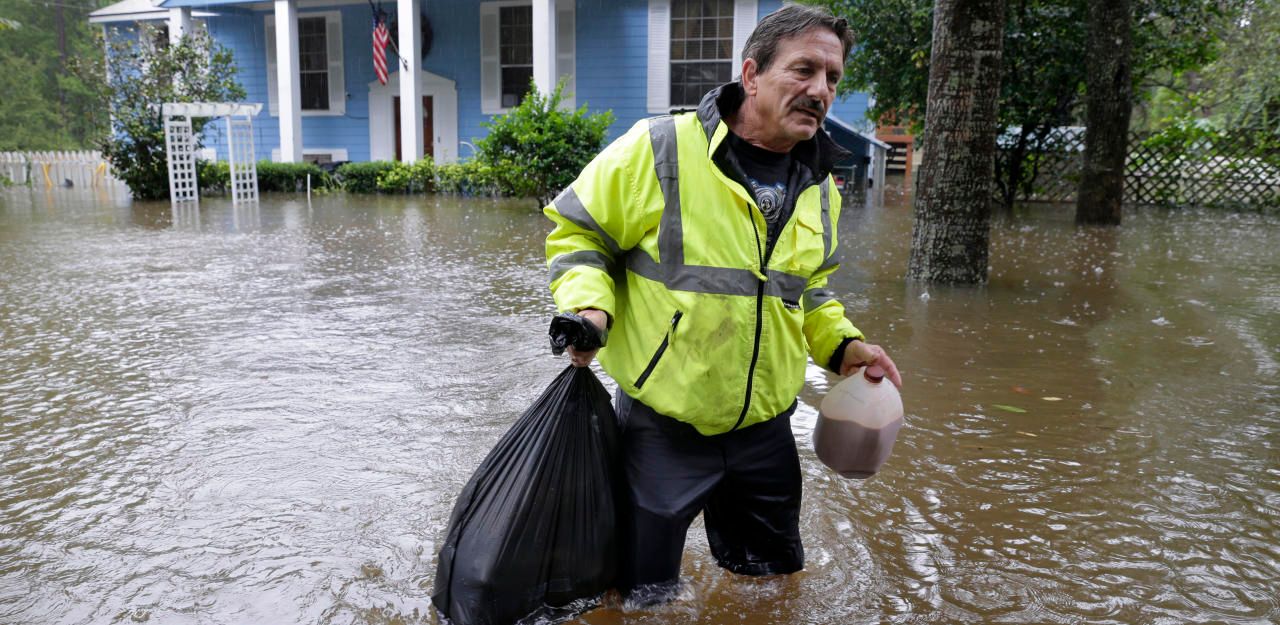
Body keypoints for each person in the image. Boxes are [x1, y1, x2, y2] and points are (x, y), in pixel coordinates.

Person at [543, 4, 902, 604]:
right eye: (804, 70)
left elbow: (807, 291)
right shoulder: (658, 149)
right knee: (641, 598)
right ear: (752, 73)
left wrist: (845, 346)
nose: (820, 91)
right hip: (662, 428)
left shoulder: (821, 186)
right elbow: (579, 235)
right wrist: (590, 311)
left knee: (769, 592)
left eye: (833, 78)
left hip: (766, 431)